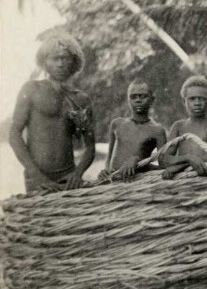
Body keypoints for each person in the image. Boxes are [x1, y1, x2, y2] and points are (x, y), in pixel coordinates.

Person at [9, 33, 95, 193]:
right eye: (55, 58)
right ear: (45, 62)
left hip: (68, 178)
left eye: (65, 58)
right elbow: (14, 134)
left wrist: (77, 173)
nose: (60, 64)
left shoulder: (81, 99)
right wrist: (35, 174)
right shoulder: (31, 89)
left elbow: (90, 147)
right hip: (37, 179)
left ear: (74, 62)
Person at [98, 79, 166, 182]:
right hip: (112, 183)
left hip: (136, 182)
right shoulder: (117, 124)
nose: (138, 100)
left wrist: (138, 162)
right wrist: (105, 171)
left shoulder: (157, 131)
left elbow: (163, 168)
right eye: (133, 97)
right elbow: (109, 159)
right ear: (128, 99)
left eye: (143, 96)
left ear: (152, 99)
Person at [159, 75, 207, 179]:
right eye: (192, 99)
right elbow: (165, 159)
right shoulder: (178, 126)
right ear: (183, 101)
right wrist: (189, 158)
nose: (197, 103)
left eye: (201, 99)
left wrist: (182, 165)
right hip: (183, 178)